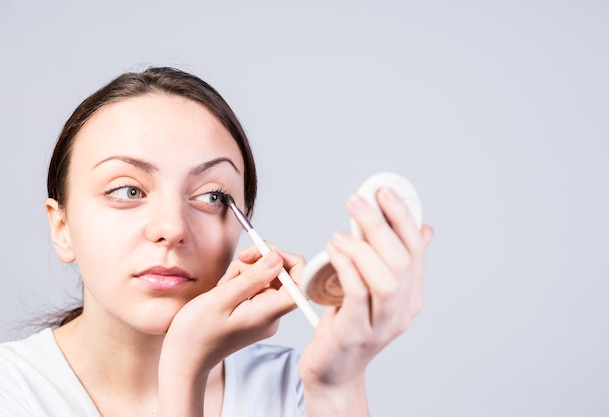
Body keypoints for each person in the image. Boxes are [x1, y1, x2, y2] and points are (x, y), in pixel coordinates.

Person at [0, 67, 433, 417]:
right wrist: (184, 370)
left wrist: (338, 386)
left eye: (212, 196)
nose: (173, 228)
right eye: (129, 190)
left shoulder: (299, 390)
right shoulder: (11, 393)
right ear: (62, 228)